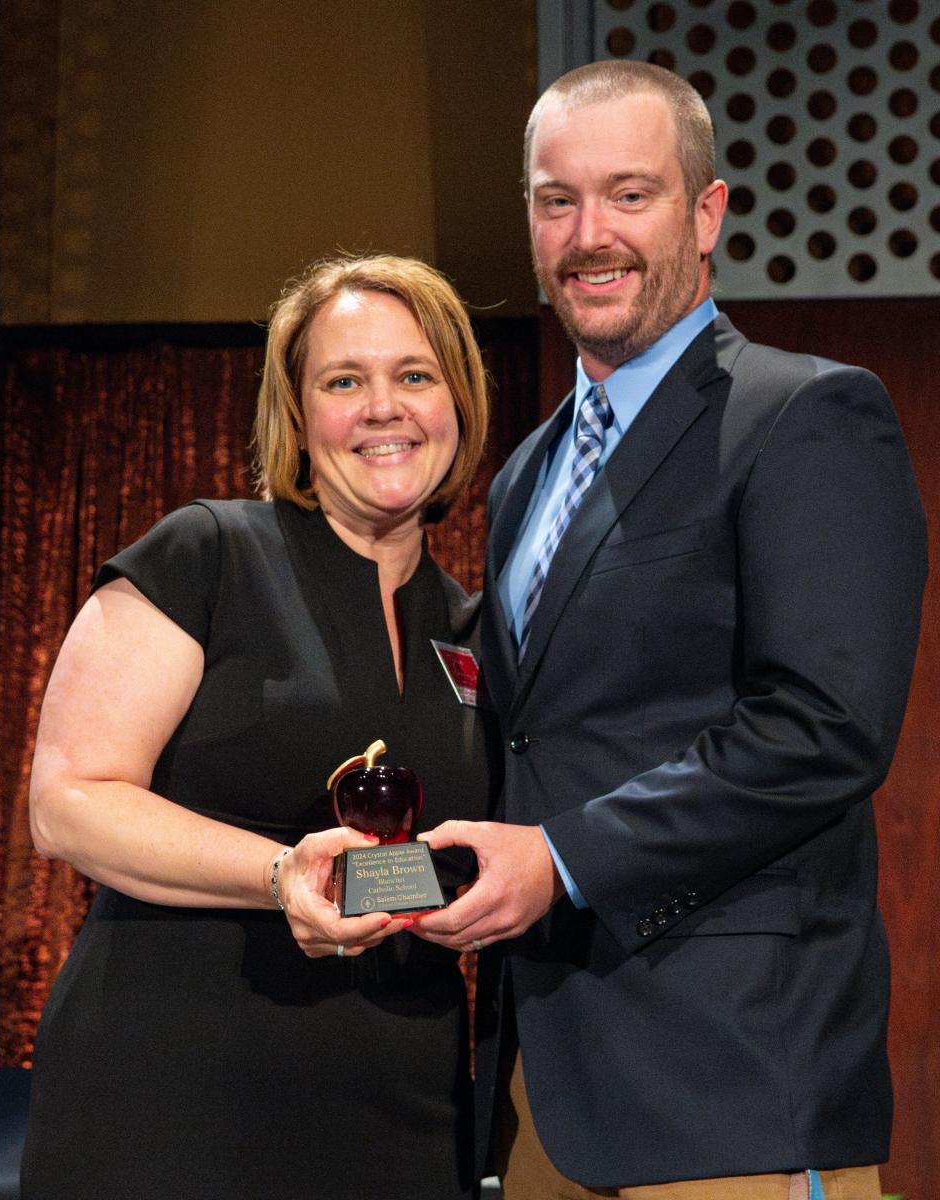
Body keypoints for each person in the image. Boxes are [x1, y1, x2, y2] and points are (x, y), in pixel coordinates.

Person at [414, 60, 927, 1199]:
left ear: (706, 213)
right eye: (558, 201)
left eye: (630, 194)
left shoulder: (806, 416)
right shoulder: (526, 474)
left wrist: (559, 858)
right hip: (541, 1091)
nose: (590, 234)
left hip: (732, 1083)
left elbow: (823, 728)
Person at [21, 254, 499, 1200]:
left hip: (403, 1112)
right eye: (344, 380)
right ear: (297, 410)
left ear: (459, 401)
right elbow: (67, 802)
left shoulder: (474, 625)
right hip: (170, 1100)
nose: (383, 407)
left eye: (414, 375)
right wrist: (280, 874)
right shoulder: (207, 552)